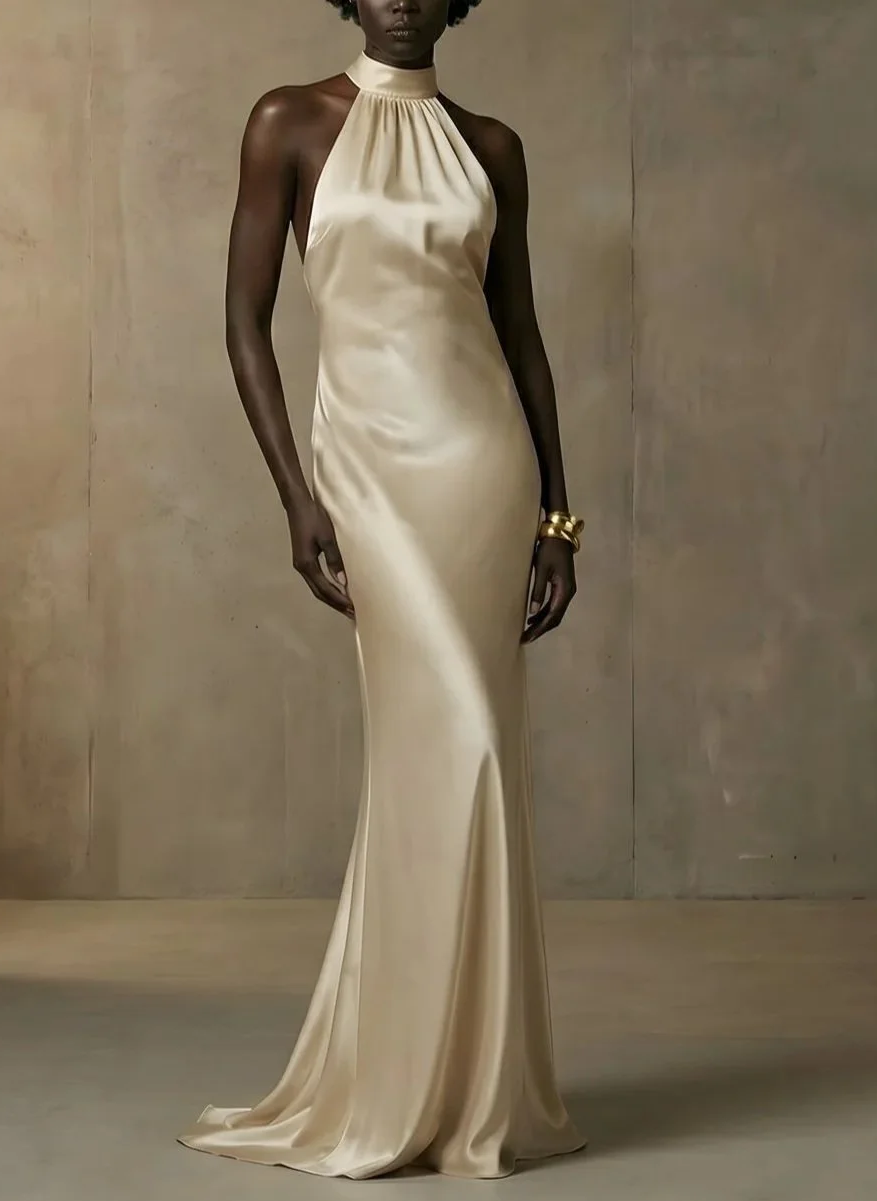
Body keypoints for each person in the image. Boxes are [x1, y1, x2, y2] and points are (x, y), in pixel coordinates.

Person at [175, 0, 588, 1181]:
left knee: (474, 762)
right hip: (365, 475)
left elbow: (521, 334)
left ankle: (463, 1088)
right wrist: (296, 498)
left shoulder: (492, 146)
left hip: (483, 472)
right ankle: (395, 1081)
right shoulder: (289, 122)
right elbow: (242, 323)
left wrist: (557, 513)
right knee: (445, 751)